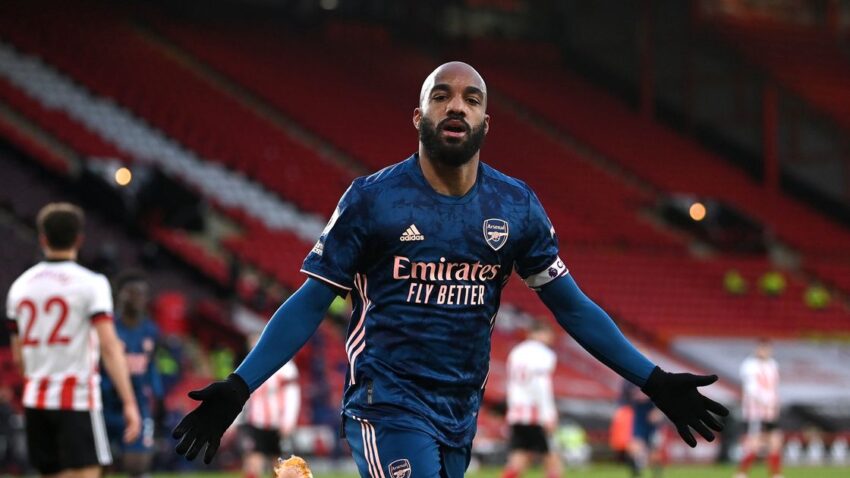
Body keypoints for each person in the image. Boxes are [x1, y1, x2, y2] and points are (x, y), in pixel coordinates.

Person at [173, 62, 729, 476]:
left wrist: (653, 381)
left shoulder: (516, 207)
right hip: (385, 405)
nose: (456, 106)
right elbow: (311, 301)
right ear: (420, 116)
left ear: (488, 119)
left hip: (459, 411)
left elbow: (573, 307)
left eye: (471, 98)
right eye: (442, 97)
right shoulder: (373, 201)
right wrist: (241, 385)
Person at [5, 203, 141, 477]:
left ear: (43, 238)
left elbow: (19, 357)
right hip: (76, 400)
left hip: (36, 401)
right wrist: (129, 401)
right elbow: (109, 346)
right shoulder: (91, 283)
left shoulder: (20, 287)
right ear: (79, 239)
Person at [101, 269, 162, 478]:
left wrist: (158, 394)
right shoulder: (107, 328)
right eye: (132, 292)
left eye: (142, 293)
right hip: (106, 404)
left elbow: (151, 365)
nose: (138, 297)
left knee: (138, 465)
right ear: (120, 295)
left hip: (139, 404)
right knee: (99, 466)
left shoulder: (151, 330)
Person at [501, 322, 561, 478]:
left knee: (519, 456)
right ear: (540, 333)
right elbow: (541, 384)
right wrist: (549, 414)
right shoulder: (544, 354)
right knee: (552, 458)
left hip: (517, 411)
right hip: (535, 413)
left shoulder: (516, 352)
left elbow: (512, 383)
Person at [238, 334, 300, 478]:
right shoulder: (248, 367)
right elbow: (244, 397)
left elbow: (293, 395)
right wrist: (237, 421)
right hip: (255, 422)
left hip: (277, 423)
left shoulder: (285, 367)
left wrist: (288, 421)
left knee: (280, 465)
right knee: (253, 460)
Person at [735, 338, 781, 478]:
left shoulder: (773, 364)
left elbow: (774, 388)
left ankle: (776, 474)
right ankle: (741, 473)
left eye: (767, 348)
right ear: (757, 349)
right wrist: (764, 403)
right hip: (755, 411)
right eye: (762, 348)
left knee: (775, 441)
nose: (765, 351)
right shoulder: (749, 365)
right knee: (754, 444)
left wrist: (775, 403)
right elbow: (750, 389)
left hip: (770, 410)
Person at [623, 382, 665, 478]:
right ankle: (636, 473)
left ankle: (657, 473)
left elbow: (660, 408)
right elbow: (628, 398)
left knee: (654, 452)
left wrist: (657, 413)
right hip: (639, 424)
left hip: (652, 427)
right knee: (634, 448)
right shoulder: (630, 385)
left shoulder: (653, 387)